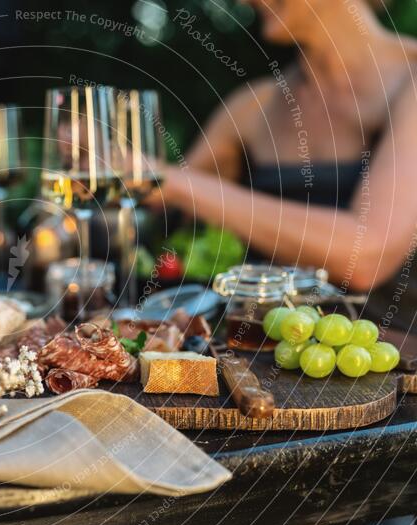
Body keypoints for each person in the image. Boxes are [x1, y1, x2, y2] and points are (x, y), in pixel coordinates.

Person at [152, 0, 417, 326]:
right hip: (256, 357)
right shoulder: (254, 105)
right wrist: (98, 161)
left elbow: (366, 256)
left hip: (392, 367)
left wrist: (174, 183)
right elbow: (156, 207)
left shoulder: (412, 78)